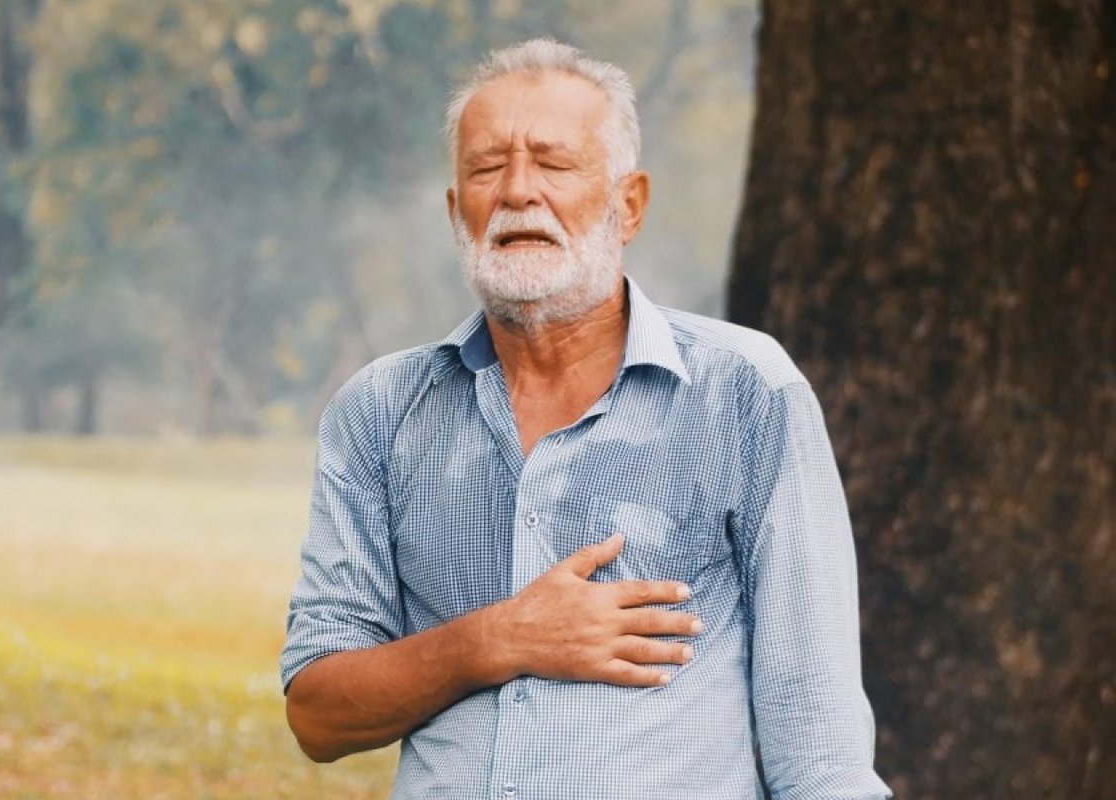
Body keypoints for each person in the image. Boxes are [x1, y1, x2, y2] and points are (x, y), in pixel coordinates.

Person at [279, 39, 892, 799]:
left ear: (627, 203)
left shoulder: (744, 392)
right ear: (455, 211)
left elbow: (821, 748)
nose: (517, 192)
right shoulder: (380, 411)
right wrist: (501, 637)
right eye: (485, 167)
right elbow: (318, 714)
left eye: (554, 163)